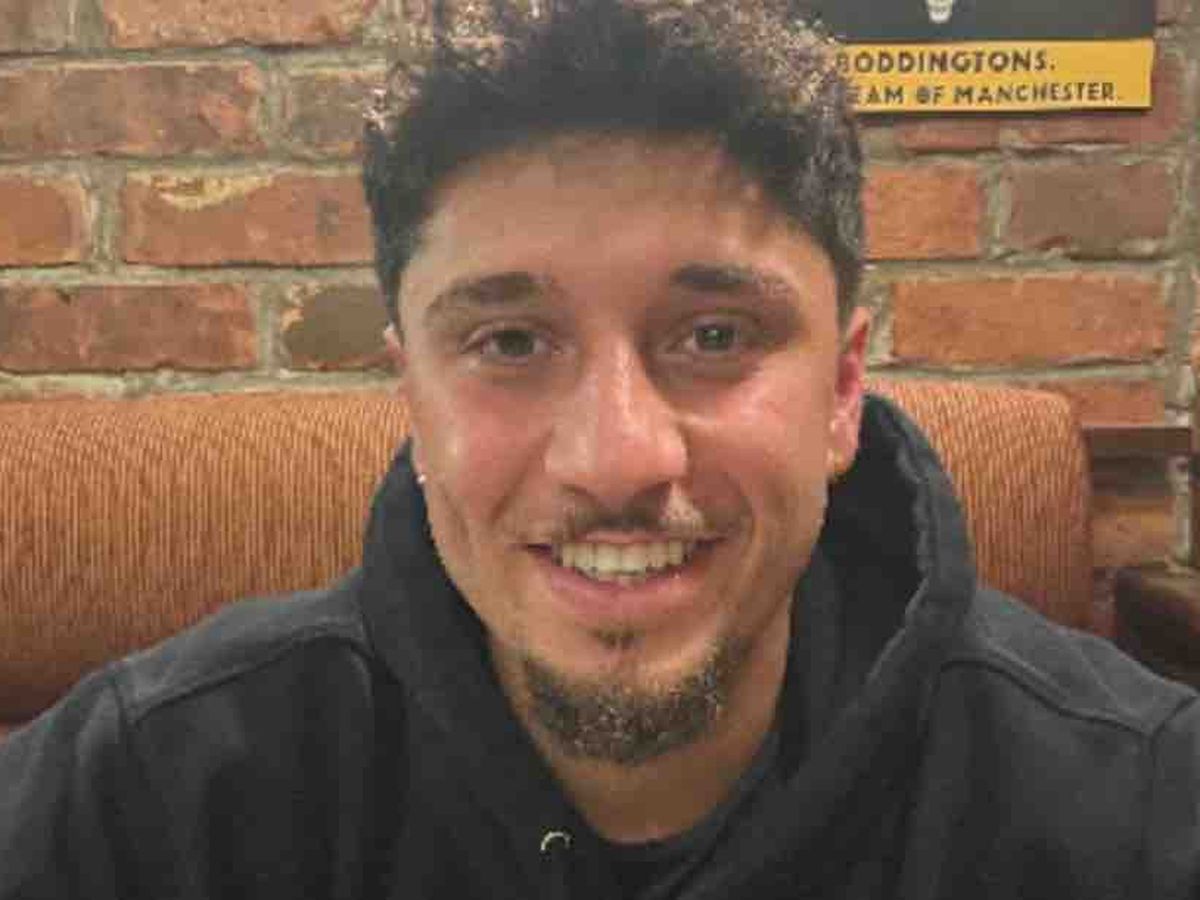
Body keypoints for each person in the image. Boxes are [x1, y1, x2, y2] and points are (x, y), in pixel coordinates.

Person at [2, 1, 1197, 897]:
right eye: (511, 341)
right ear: (413, 396)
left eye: (715, 335)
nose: (617, 459)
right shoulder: (152, 790)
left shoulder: (1136, 808)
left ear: (842, 392)